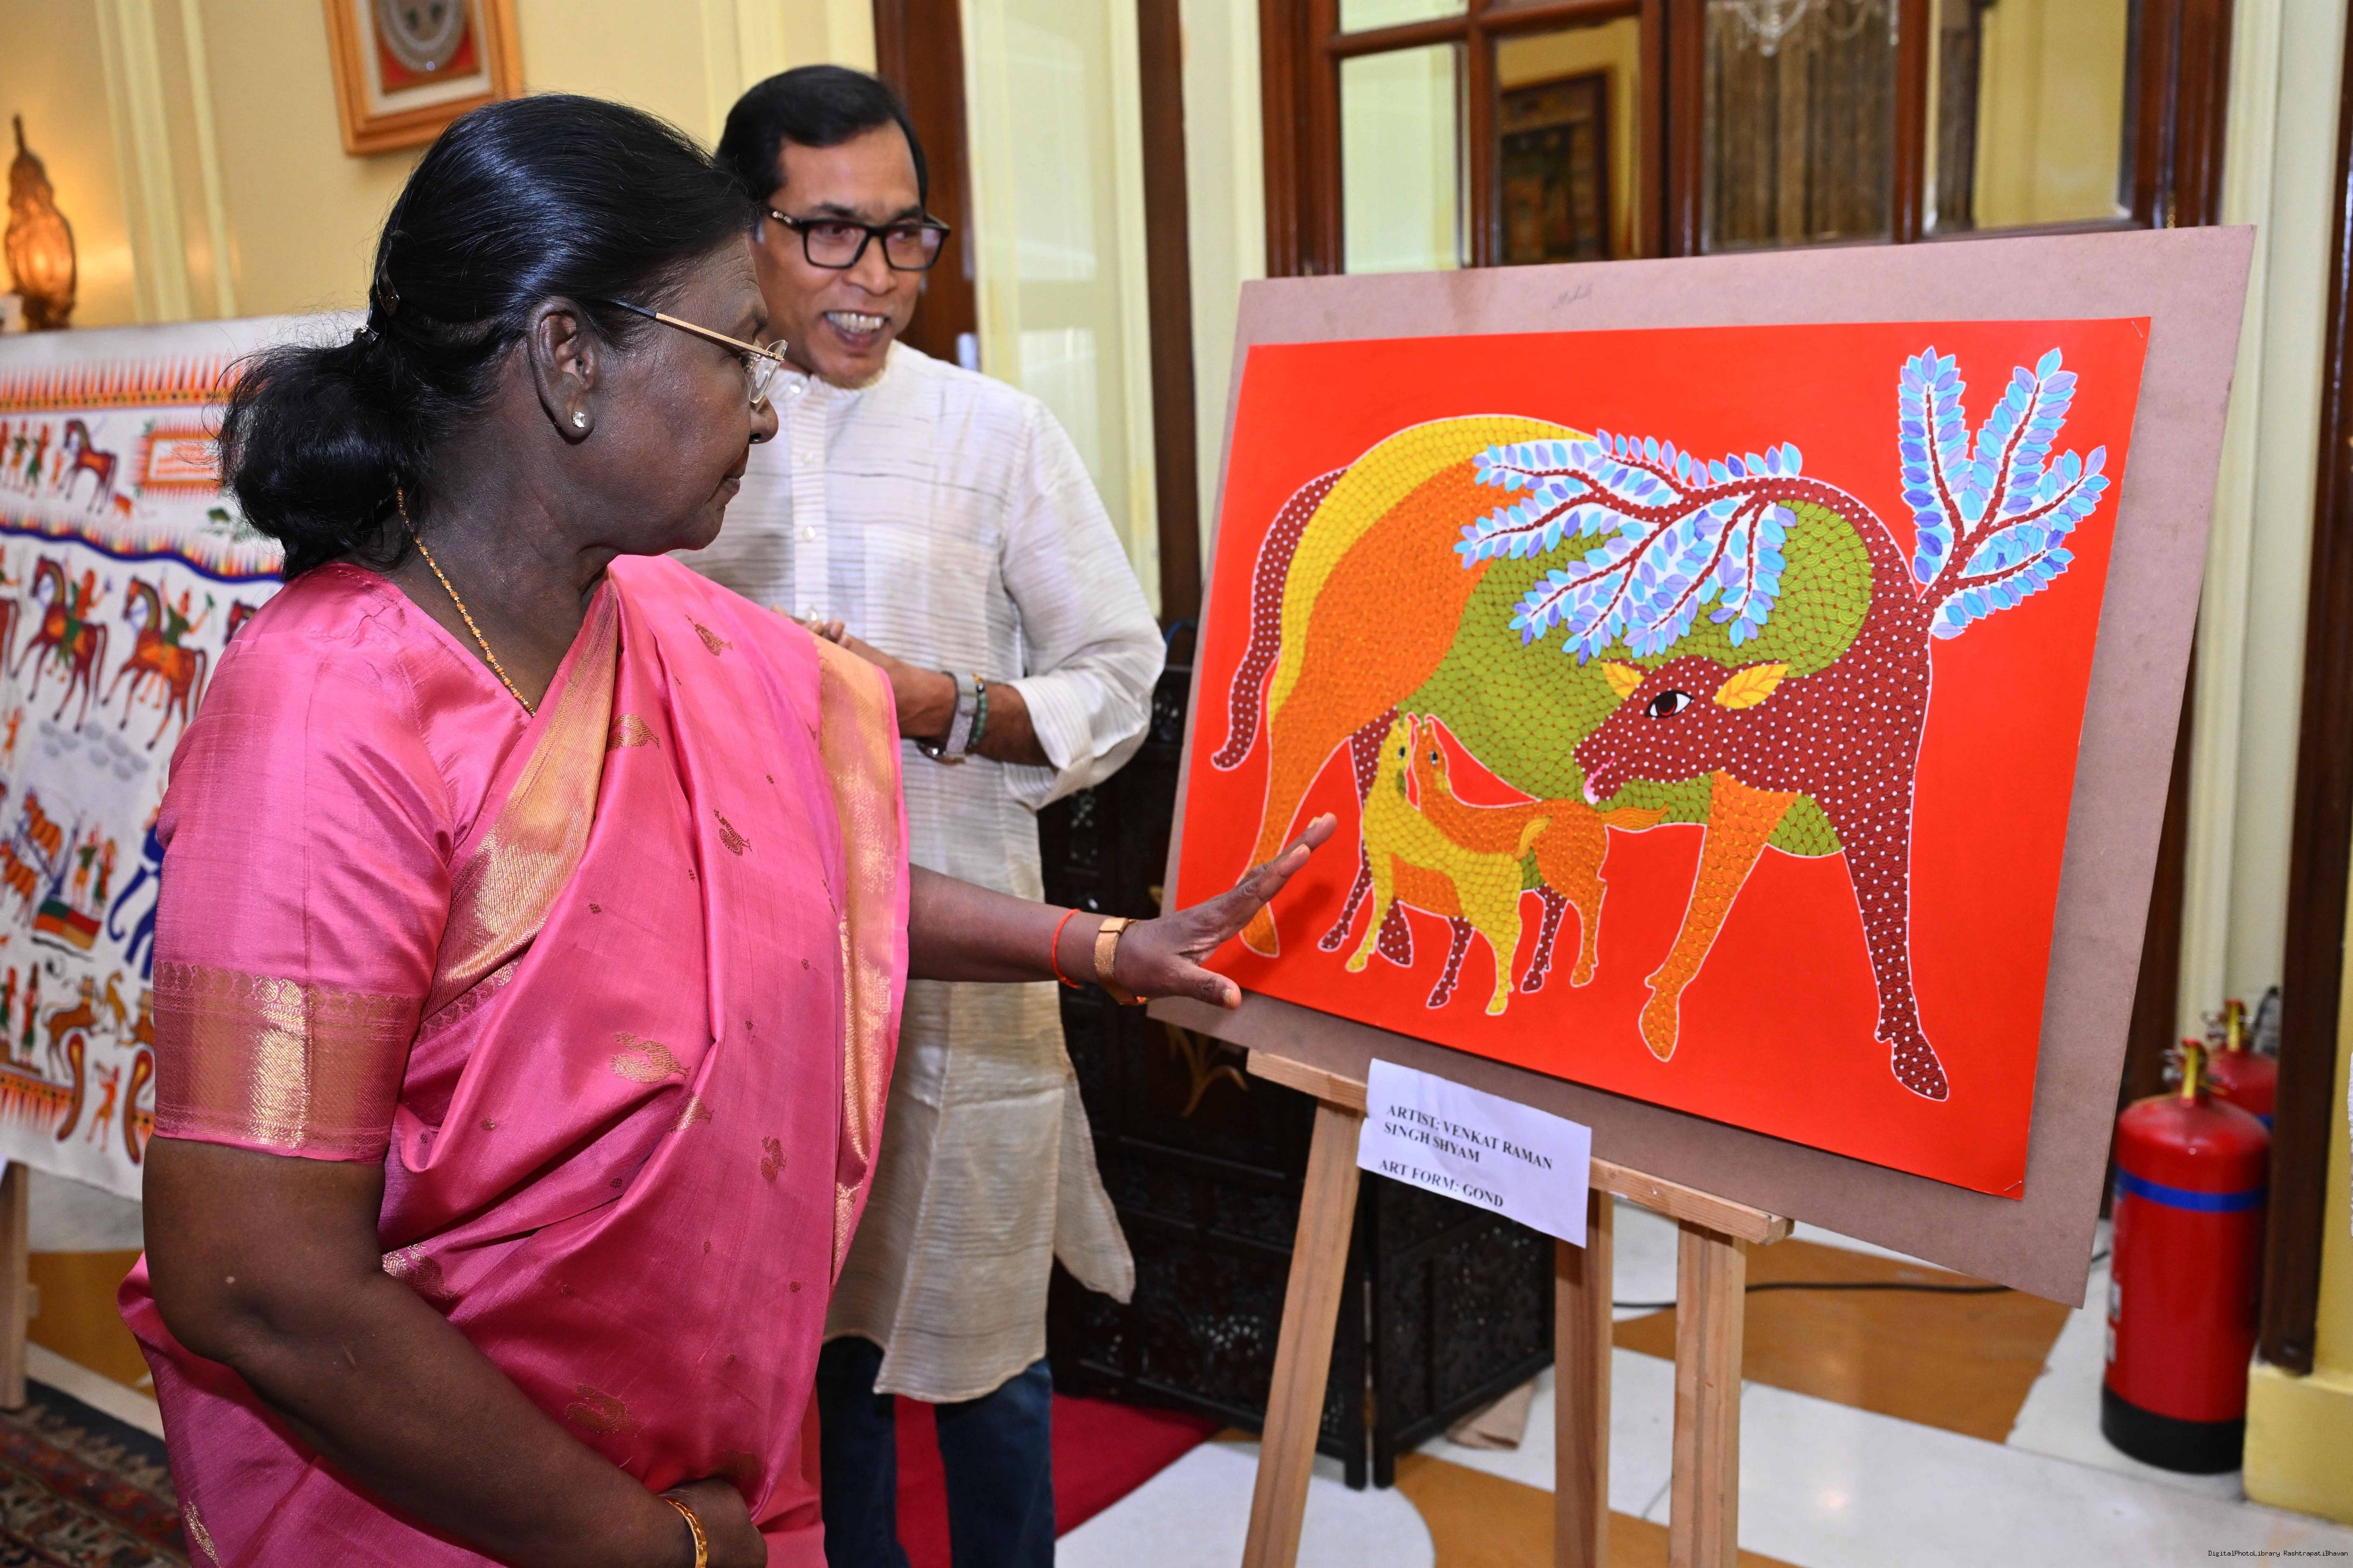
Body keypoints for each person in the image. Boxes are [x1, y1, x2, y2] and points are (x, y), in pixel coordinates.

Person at [117, 95, 1328, 1568]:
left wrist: (1103, 948)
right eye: (737, 350)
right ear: (568, 358)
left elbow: (830, 882)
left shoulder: (671, 628)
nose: (765, 408)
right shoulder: (325, 710)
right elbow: (258, 1281)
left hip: (709, 1472)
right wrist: (646, 1545)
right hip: (463, 1509)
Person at [693, 67, 1164, 1568]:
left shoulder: (995, 433)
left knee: (985, 1347)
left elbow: (1121, 675)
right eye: (831, 232)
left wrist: (937, 704)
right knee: (801, 1358)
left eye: (905, 235)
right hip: (733, 983)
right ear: (746, 228)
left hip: (966, 983)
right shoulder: (673, 422)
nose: (878, 276)